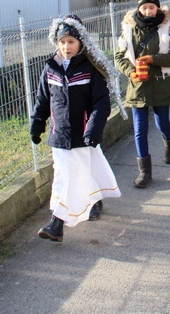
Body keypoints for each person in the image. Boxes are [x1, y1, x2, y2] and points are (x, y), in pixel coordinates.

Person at [30, 15, 124, 242]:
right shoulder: (50, 68)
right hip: (59, 135)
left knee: (71, 178)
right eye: (62, 42)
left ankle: (57, 223)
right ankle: (89, 203)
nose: (66, 47)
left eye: (71, 42)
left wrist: (93, 129)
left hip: (81, 135)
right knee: (65, 175)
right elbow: (43, 100)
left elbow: (100, 104)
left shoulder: (90, 70)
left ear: (81, 42)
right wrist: (37, 123)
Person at [115, 0, 170, 188]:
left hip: (161, 84)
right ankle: (145, 172)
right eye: (144, 7)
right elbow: (119, 57)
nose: (148, 11)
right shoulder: (128, 30)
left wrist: (154, 59)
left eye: (151, 7)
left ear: (157, 8)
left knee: (162, 123)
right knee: (139, 129)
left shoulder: (165, 29)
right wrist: (131, 72)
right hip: (138, 86)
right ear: (139, 8)